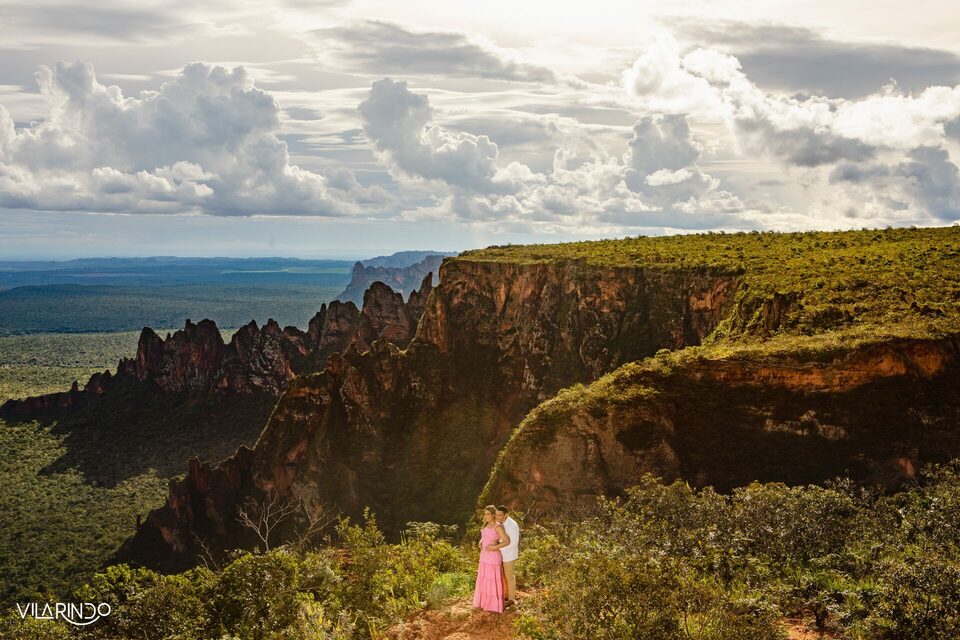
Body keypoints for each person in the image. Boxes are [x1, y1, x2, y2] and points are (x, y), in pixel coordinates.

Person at [473, 504, 510, 613]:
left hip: (493, 557)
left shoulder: (497, 526)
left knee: (492, 580)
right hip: (484, 556)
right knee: (484, 579)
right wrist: (481, 542)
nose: (486, 516)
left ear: (493, 515)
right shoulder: (485, 525)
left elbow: (507, 541)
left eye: (488, 514)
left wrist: (495, 547)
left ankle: (493, 605)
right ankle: (484, 603)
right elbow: (484, 537)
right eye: (485, 514)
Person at [496, 505, 520, 607]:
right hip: (501, 554)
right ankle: (505, 595)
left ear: (506, 515)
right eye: (497, 515)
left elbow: (514, 543)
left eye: (500, 515)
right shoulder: (500, 523)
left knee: (509, 576)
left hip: (509, 555)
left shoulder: (512, 525)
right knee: (503, 576)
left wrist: (498, 547)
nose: (498, 517)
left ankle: (511, 598)